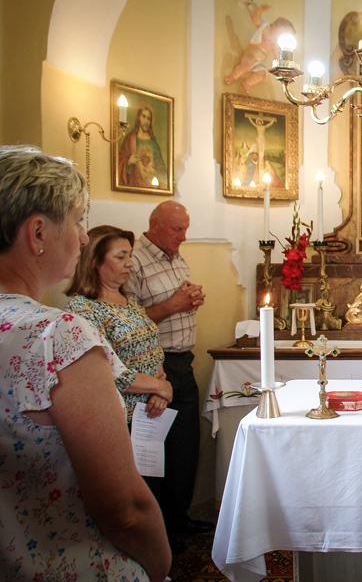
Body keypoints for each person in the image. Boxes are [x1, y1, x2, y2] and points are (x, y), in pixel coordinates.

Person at [0, 145, 170, 580]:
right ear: (38, 233)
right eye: (77, 220)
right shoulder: (58, 336)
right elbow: (125, 510)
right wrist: (159, 566)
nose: (81, 237)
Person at [124, 200, 212, 536]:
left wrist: (191, 300)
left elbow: (176, 302)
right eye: (177, 229)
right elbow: (128, 321)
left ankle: (178, 518)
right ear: (155, 224)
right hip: (155, 367)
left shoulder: (175, 256)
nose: (183, 236)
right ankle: (156, 528)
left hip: (182, 362)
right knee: (154, 448)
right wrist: (174, 305)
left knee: (184, 446)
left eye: (186, 229)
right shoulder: (134, 262)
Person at [66, 225, 173, 423]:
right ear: (95, 262)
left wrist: (161, 388)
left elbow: (152, 353)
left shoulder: (131, 304)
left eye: (130, 255)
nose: (130, 263)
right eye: (120, 257)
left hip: (149, 416)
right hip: (116, 417)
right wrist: (158, 387)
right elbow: (102, 372)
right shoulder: (83, 309)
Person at [224, 0, 296, 93]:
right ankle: (233, 76)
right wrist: (261, 9)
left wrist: (285, 70)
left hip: (259, 63)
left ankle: (247, 83)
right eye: (285, 32)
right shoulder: (265, 29)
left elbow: (278, 57)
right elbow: (255, 18)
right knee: (246, 65)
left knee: (263, 74)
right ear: (278, 25)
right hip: (250, 56)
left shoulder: (275, 43)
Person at [118, 102, 168, 189]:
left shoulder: (154, 144)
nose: (146, 121)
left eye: (148, 118)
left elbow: (164, 173)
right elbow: (120, 160)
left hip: (151, 186)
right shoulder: (130, 139)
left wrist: (154, 170)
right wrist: (128, 162)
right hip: (132, 183)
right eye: (143, 116)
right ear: (138, 118)